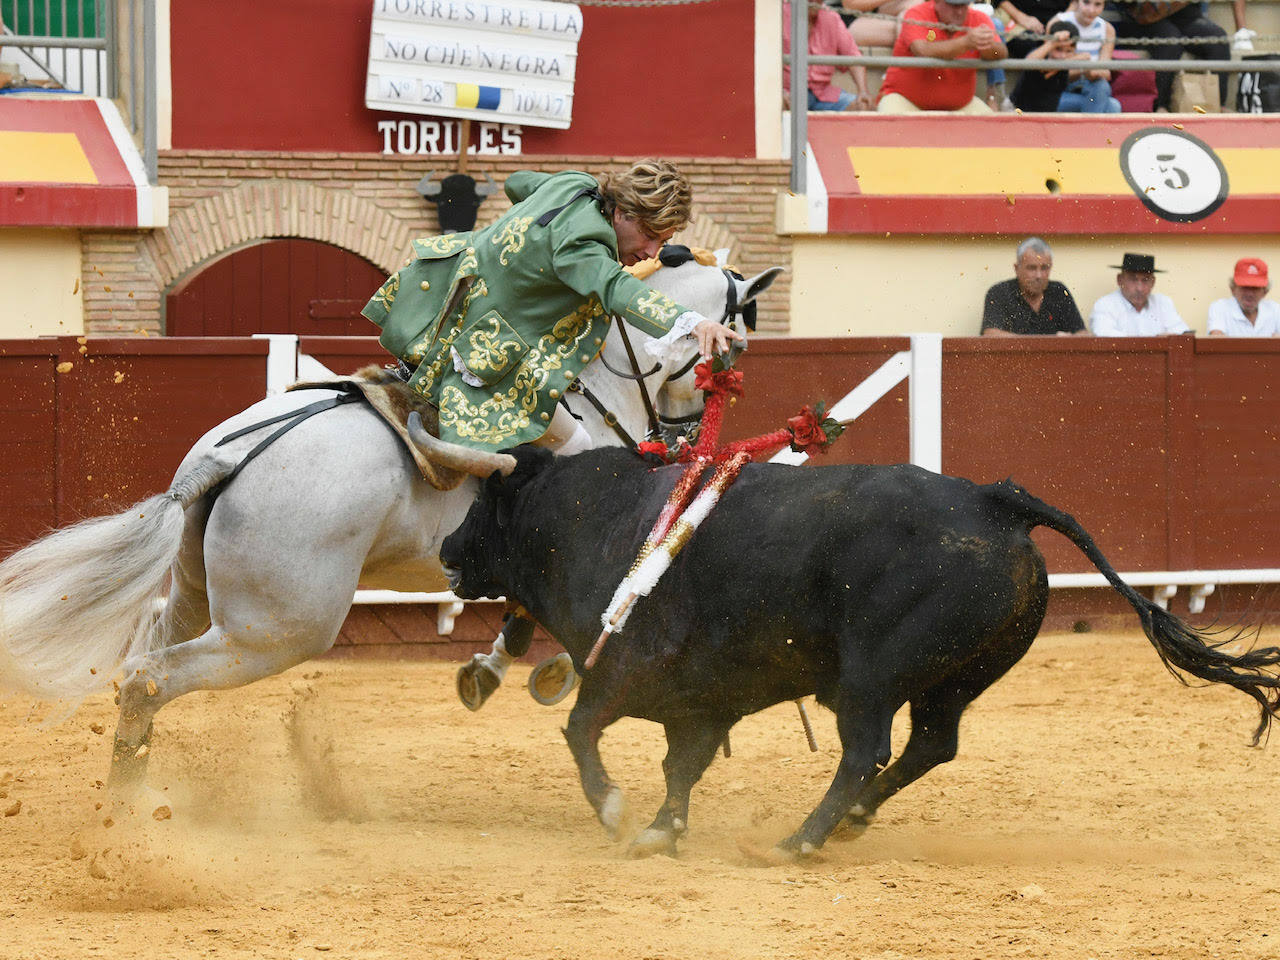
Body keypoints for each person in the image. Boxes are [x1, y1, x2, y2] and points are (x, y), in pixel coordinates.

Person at [361, 161, 744, 711]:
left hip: (452, 296)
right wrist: (692, 322)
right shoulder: (588, 242)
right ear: (623, 212)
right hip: (490, 348)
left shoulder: (573, 185)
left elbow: (519, 183)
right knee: (583, 454)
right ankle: (522, 550)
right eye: (650, 235)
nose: (651, 252)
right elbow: (615, 288)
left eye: (663, 242)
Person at [876, 0, 1008, 112]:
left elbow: (1000, 54)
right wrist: (966, 42)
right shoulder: (917, 13)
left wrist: (987, 45)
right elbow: (922, 50)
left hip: (961, 105)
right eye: (954, 5)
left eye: (963, 5)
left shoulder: (978, 18)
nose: (959, 12)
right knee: (890, 121)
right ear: (937, 2)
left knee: (994, 129)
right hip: (905, 100)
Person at [1112, 1, 1229, 111]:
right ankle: (1161, 106)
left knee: (1218, 39)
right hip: (1147, 17)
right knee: (1170, 41)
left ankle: (1219, 105)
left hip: (1185, 15)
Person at [981, 237, 1089, 336]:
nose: (1039, 275)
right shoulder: (1000, 293)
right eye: (1032, 268)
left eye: (1044, 268)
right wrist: (1050, 342)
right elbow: (990, 334)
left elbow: (1082, 333)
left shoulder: (1058, 291)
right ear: (1016, 268)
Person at [784, 1, 873, 111]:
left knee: (863, 106)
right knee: (777, 104)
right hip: (789, 92)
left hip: (823, 94)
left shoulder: (831, 16)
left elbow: (853, 55)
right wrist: (778, 92)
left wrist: (863, 91)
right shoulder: (779, 14)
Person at [1089, 253, 1190, 336]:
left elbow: (1183, 334)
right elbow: (1104, 335)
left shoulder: (1163, 302)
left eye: (1145, 280)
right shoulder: (1105, 304)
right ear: (1119, 280)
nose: (1139, 288)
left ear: (1153, 282)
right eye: (1133, 280)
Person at [1051, 0, 1122, 113]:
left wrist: (1090, 70)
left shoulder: (1107, 29)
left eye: (1097, 4)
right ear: (1076, 2)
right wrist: (1085, 70)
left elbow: (1105, 72)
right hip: (1060, 91)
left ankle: (1090, 122)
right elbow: (1052, 74)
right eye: (1086, 2)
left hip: (1092, 88)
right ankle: (1093, 123)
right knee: (1113, 106)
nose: (1091, 10)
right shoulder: (1059, 22)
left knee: (1102, 88)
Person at [1008, 20, 1092, 113]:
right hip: (1018, 111)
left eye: (1068, 51)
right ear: (1047, 42)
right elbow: (1028, 63)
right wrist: (1052, 43)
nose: (1062, 55)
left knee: (1095, 100)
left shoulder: (1067, 62)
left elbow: (1086, 58)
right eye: (1058, 49)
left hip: (1045, 114)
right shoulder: (1041, 56)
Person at [1207, 257, 1280, 337]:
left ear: (1265, 292)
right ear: (1233, 289)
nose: (1250, 294)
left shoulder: (1275, 309)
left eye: (1255, 288)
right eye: (1244, 287)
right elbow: (1216, 340)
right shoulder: (1220, 307)